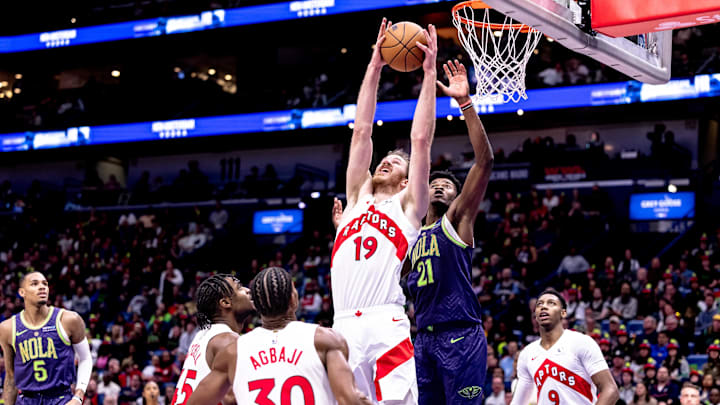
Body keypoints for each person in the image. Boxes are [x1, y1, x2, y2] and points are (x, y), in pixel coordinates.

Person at [329, 18, 437, 404]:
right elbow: (361, 130)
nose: (385, 163)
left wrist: (429, 74)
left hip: (384, 321)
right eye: (384, 159)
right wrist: (375, 65)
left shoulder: (409, 207)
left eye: (395, 163)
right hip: (342, 324)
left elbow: (420, 140)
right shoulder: (357, 195)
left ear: (408, 182)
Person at [186, 267, 371, 405]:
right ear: (293, 299)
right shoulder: (325, 339)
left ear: (256, 306)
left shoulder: (233, 352)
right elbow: (348, 400)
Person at [510, 290, 619, 405]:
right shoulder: (527, 353)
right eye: (540, 304)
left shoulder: (581, 342)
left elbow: (610, 390)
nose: (544, 307)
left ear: (563, 313)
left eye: (551, 303)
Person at [0, 271, 93, 405]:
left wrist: (78, 397)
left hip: (61, 398)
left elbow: (85, 358)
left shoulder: (69, 319)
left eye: (45, 284)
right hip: (27, 399)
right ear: (22, 292)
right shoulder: (7, 328)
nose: (42, 287)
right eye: (34, 284)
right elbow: (10, 377)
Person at [170, 274, 254, 405]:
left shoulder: (202, 335)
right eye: (239, 288)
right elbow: (231, 399)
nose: (248, 290)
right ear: (225, 302)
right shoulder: (227, 340)